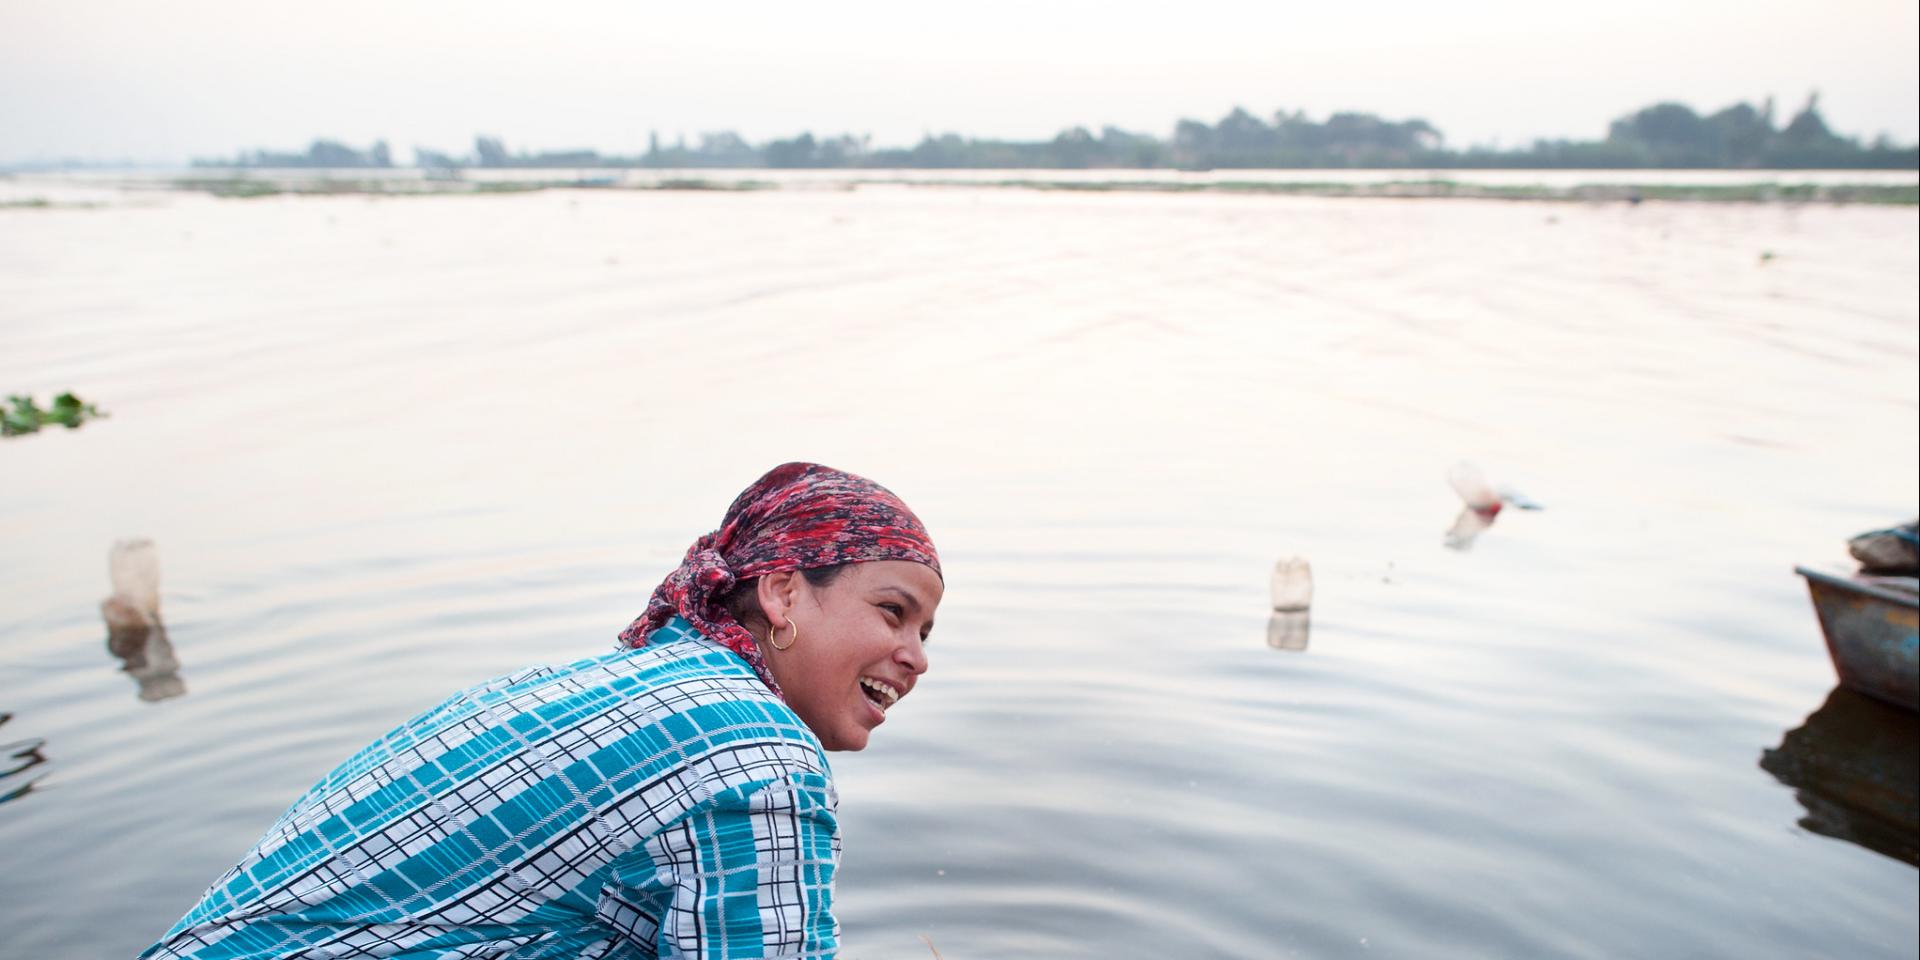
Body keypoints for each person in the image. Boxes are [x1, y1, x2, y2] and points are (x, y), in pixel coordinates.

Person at [141, 462, 943, 959]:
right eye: (891, 610)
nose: (916, 655)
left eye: (926, 631)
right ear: (781, 592)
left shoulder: (617, 683)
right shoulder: (755, 753)